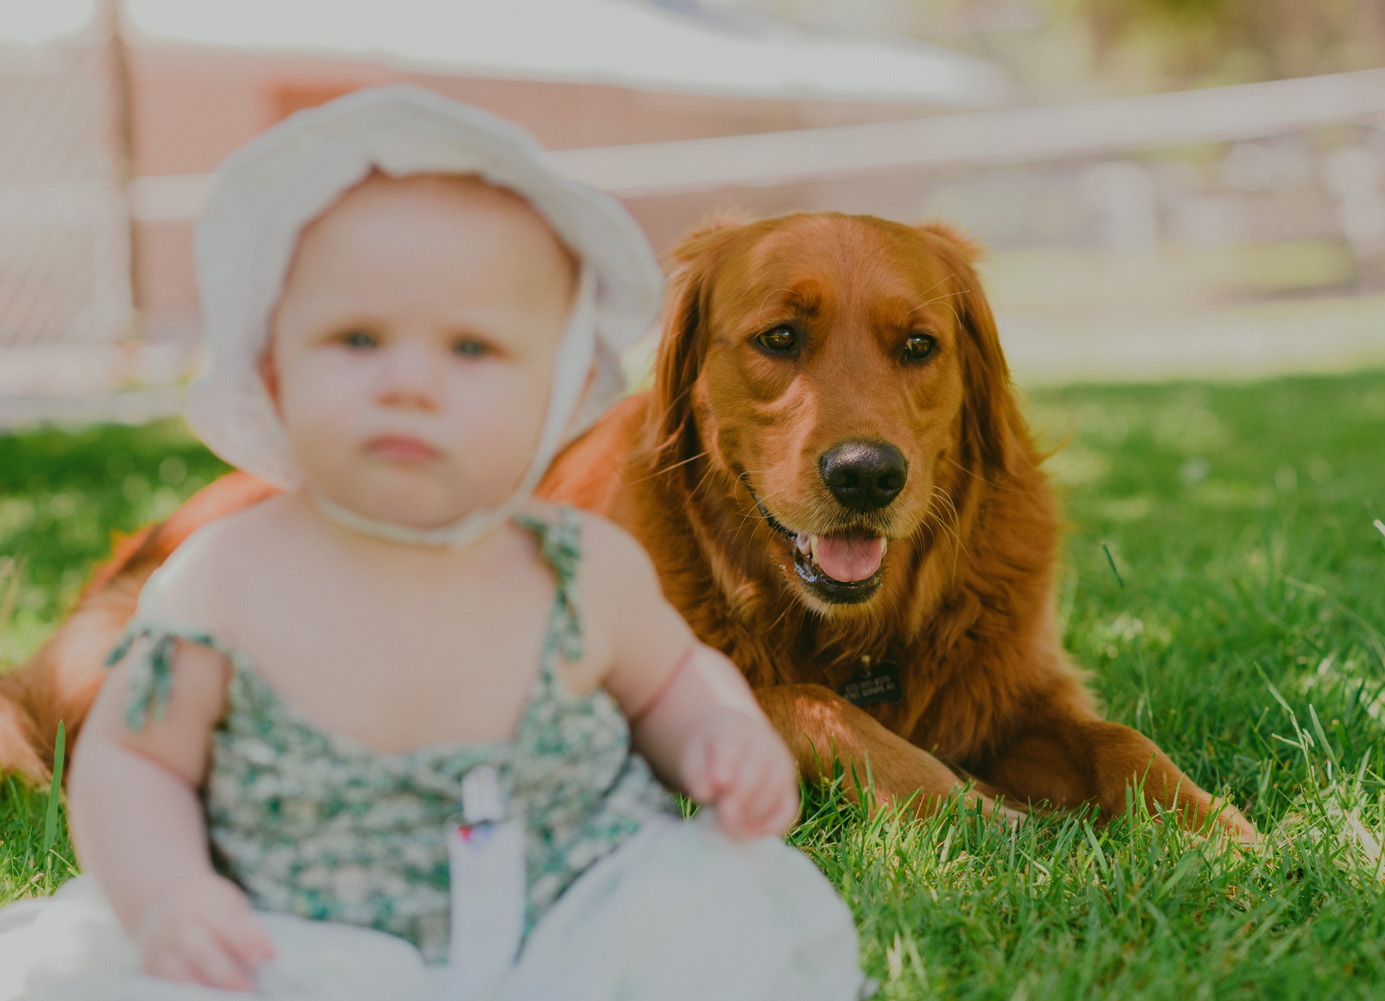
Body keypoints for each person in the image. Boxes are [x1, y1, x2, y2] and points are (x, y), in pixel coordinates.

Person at [0, 86, 867, 1001]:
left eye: (471, 349)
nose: (410, 381)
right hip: (298, 945)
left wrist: (720, 738)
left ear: (564, 391)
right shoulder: (226, 580)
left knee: (713, 924)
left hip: (572, 928)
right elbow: (132, 761)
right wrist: (169, 895)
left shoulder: (580, 569)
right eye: (358, 337)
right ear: (271, 368)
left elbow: (673, 680)